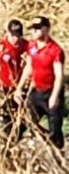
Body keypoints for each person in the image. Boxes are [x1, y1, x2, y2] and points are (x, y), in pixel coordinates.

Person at [17, 16, 65, 149]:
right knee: (25, 121)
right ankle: (12, 149)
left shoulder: (55, 50)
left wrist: (54, 96)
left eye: (37, 29)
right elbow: (29, 67)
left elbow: (59, 75)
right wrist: (19, 87)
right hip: (37, 91)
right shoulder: (32, 46)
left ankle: (58, 154)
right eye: (33, 29)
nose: (34, 32)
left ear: (46, 29)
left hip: (51, 92)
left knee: (55, 127)